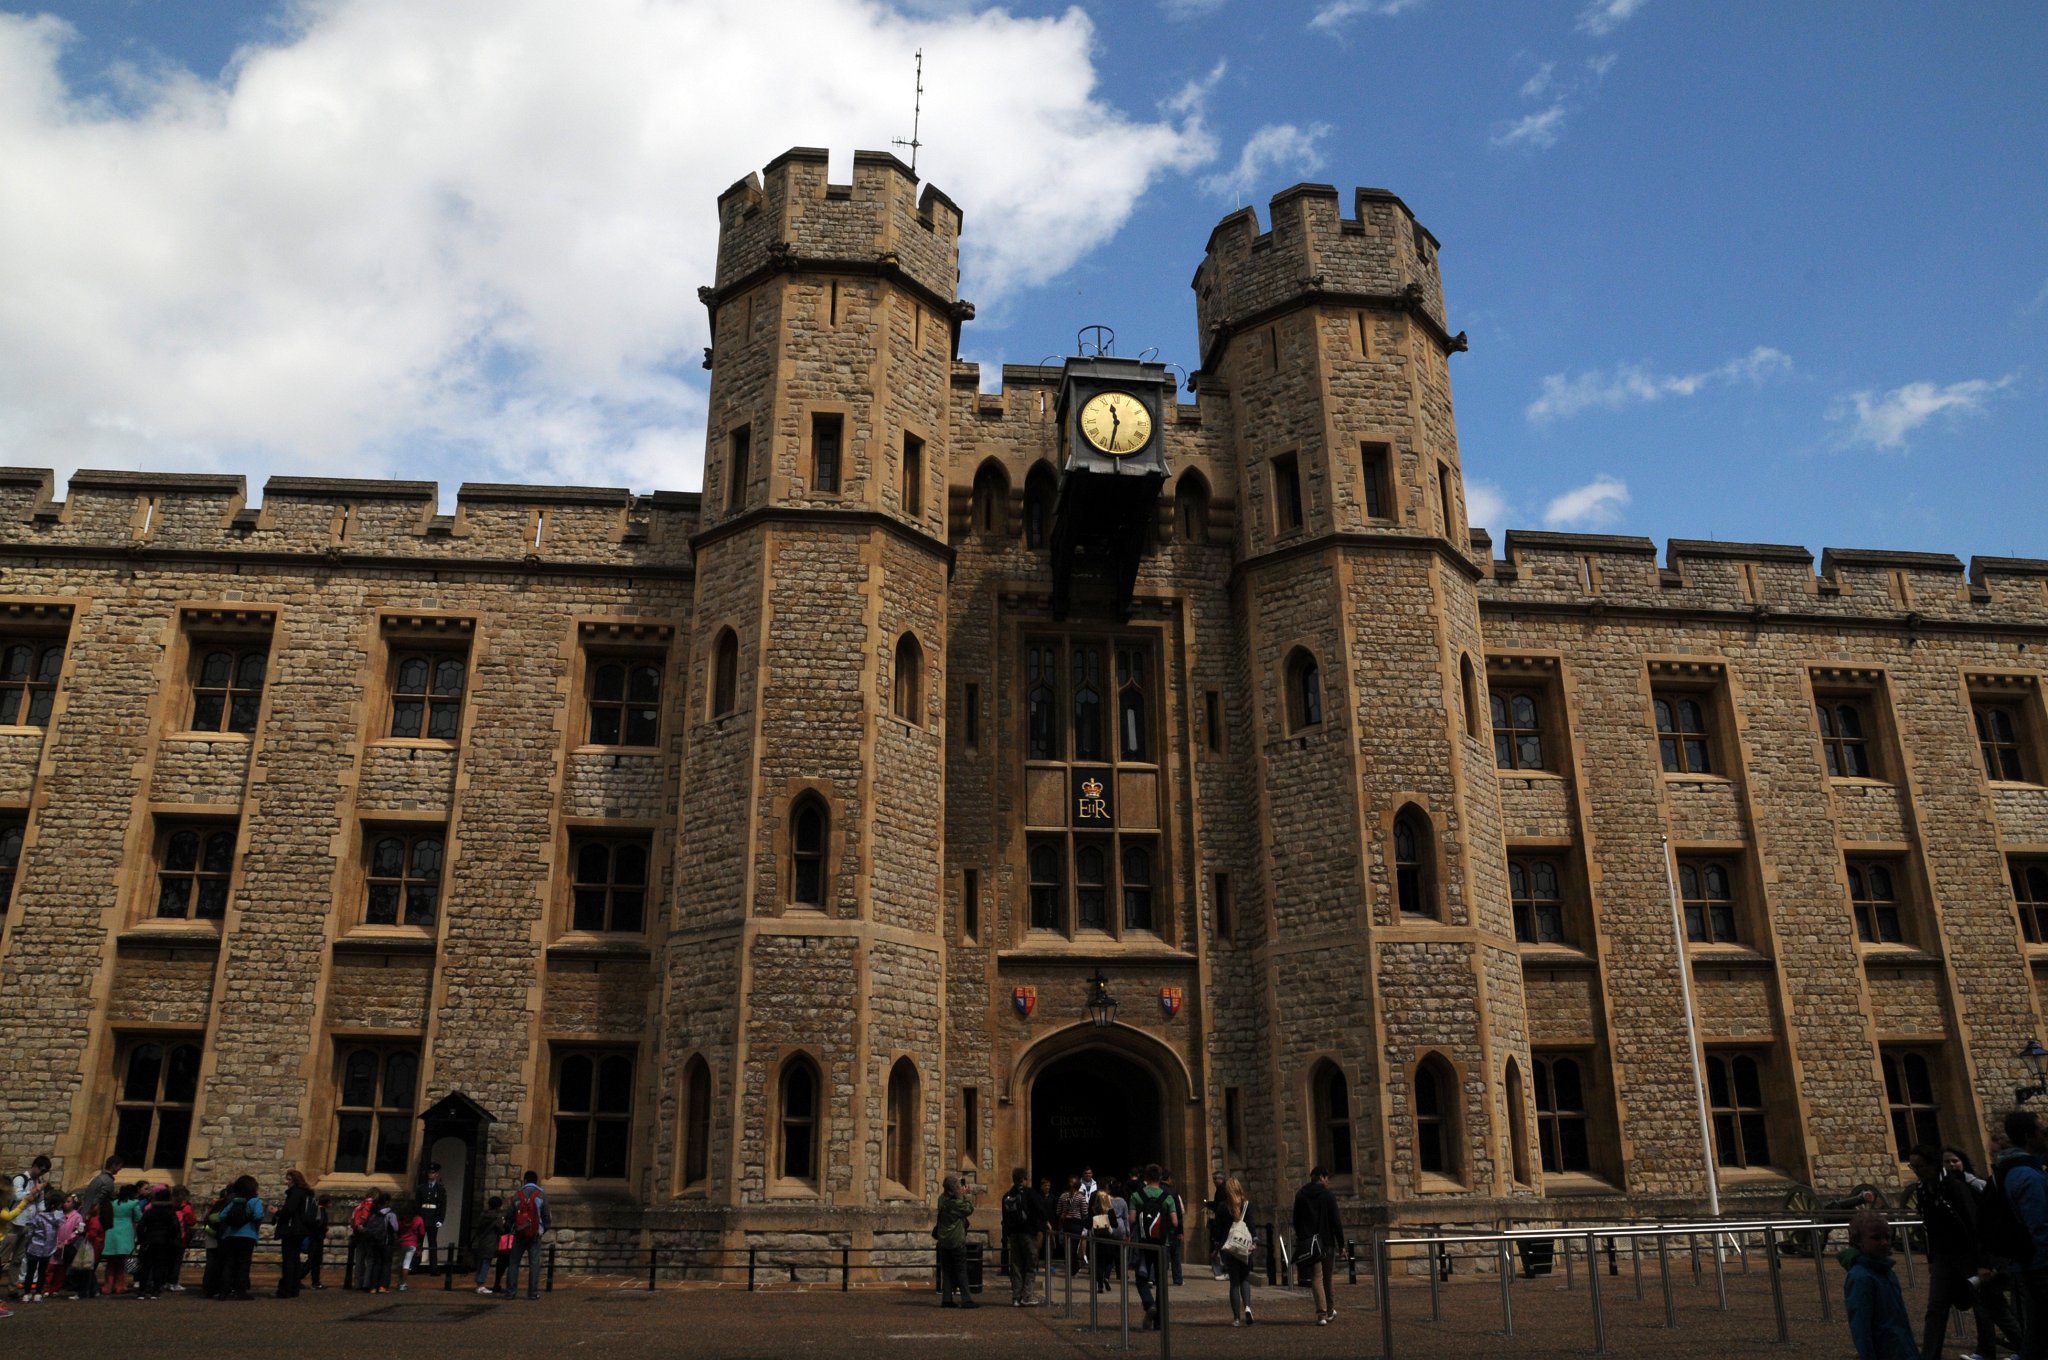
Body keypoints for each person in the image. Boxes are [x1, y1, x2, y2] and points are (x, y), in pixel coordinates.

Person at [1909, 1142, 1983, 1360]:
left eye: (1919, 1166)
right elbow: (1929, 1227)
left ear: (1932, 1165)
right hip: (1943, 1256)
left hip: (1965, 1254)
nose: (1916, 1171)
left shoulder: (1954, 1187)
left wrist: (1982, 1262)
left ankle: (2013, 1347)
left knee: (1986, 1307)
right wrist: (1931, 1258)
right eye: (1913, 1167)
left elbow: (1973, 1224)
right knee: (1936, 1308)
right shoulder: (1922, 1190)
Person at [1997, 1110, 2048, 1360]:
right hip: (2040, 1264)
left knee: (2037, 1332)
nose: (2045, 1135)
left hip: (2026, 1264)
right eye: (2042, 1132)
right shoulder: (2027, 1175)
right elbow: (2041, 1227)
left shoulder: (2009, 1171)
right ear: (2029, 1136)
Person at [1840, 1210, 1918, 1359]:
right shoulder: (1861, 1278)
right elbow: (1861, 1328)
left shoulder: (1887, 1272)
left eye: (1887, 1237)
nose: (1884, 1242)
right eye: (1876, 1238)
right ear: (1859, 1241)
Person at [1291, 1165, 1346, 1326]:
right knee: (1327, 1278)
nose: (1328, 1180)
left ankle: (1323, 1313)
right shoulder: (1328, 1196)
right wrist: (1341, 1244)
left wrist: (1303, 1238)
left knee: (1317, 1277)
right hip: (1327, 1242)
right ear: (1320, 1177)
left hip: (1310, 1244)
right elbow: (1336, 1221)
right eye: (1326, 1177)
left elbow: (1296, 1220)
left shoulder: (1301, 1195)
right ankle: (1328, 1311)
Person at [1126, 1164, 1175, 1329]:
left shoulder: (1136, 1196)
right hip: (1162, 1245)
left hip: (1143, 1244)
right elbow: (1175, 1222)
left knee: (1141, 1278)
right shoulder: (1168, 1197)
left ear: (1145, 1177)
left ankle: (1149, 1304)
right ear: (1160, 1177)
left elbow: (1132, 1220)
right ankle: (1159, 1323)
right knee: (1161, 1282)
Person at [3, 1155, 49, 1292]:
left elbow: (40, 1201)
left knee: (18, 1259)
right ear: (34, 1166)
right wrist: (33, 1191)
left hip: (29, 1224)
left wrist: (43, 1214)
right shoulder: (20, 1179)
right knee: (4, 1256)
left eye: (44, 1172)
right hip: (15, 1222)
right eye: (41, 1170)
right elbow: (16, 1196)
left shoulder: (38, 1182)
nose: (42, 1173)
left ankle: (12, 1288)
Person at [1001, 1167, 1045, 1306]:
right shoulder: (1030, 1193)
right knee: (1030, 1265)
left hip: (1013, 1235)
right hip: (1028, 1233)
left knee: (1016, 1266)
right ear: (1024, 1179)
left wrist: (1006, 1236)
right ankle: (1027, 1295)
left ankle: (1016, 1297)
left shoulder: (1007, 1195)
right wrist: (1041, 1226)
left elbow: (1004, 1219)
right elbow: (1041, 1211)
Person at [216, 1174, 265, 1300]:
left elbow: (221, 1216)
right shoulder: (255, 1201)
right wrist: (248, 1218)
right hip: (247, 1236)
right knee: (243, 1264)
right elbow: (259, 1215)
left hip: (231, 1235)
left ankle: (224, 1291)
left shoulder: (235, 1201)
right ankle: (240, 1291)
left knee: (229, 1263)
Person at [932, 1174, 976, 1308]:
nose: (960, 1188)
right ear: (953, 1189)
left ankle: (946, 1299)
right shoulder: (955, 1203)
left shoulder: (941, 1199)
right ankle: (966, 1300)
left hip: (944, 1241)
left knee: (947, 1271)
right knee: (961, 1271)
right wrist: (965, 1196)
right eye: (957, 1186)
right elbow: (969, 1209)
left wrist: (958, 1194)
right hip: (956, 1241)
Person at [503, 1171, 549, 1300]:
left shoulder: (518, 1195)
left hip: (519, 1233)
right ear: (536, 1181)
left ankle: (511, 1292)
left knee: (513, 1263)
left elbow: (510, 1215)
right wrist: (542, 1230)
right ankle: (533, 1293)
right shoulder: (541, 1194)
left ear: (525, 1181)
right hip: (535, 1234)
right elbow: (546, 1216)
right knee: (534, 1264)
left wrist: (513, 1228)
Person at [1219, 1176, 1256, 1326]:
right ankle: (1247, 1306)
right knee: (1245, 1279)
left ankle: (1236, 1318)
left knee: (1234, 1282)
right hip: (1244, 1246)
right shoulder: (1247, 1205)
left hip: (1229, 1247)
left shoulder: (1223, 1206)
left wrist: (1217, 1246)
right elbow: (1252, 1225)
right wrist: (1254, 1240)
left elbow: (1219, 1229)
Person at [275, 1169, 316, 1298]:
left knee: (289, 1259)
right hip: (300, 1229)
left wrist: (277, 1212)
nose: (286, 1182)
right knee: (294, 1259)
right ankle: (293, 1287)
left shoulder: (295, 1193)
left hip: (292, 1230)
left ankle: (287, 1288)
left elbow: (289, 1211)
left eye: (288, 1179)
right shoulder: (305, 1194)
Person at [136, 1186, 183, 1298]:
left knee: (146, 1266)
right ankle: (156, 1290)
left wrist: (142, 1239)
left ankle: (142, 1290)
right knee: (159, 1266)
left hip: (149, 1240)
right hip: (164, 1242)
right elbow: (175, 1227)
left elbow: (141, 1226)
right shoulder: (170, 1212)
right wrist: (170, 1237)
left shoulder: (150, 1211)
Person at [102, 1182, 142, 1296]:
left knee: (110, 1263)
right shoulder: (133, 1203)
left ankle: (107, 1286)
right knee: (122, 1263)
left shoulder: (113, 1203)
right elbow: (139, 1217)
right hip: (125, 1232)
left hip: (111, 1231)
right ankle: (120, 1286)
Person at [472, 1195, 509, 1294]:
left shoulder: (483, 1214)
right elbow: (501, 1230)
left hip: (481, 1241)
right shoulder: (497, 1217)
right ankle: (481, 1285)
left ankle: (478, 1284)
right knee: (486, 1263)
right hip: (490, 1242)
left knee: (480, 1263)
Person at [418, 1164, 447, 1274]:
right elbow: (418, 1203)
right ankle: (415, 1264)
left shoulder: (440, 1188)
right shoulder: (422, 1187)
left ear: (437, 1174)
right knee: (419, 1242)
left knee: (432, 1243)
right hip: (423, 1216)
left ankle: (433, 1268)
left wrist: (441, 1219)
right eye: (430, 1172)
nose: (431, 1174)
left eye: (433, 1173)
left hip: (433, 1218)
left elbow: (443, 1205)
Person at [1057, 1176, 1088, 1275]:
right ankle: (1074, 1267)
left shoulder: (1063, 1196)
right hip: (1075, 1223)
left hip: (1069, 1223)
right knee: (1073, 1247)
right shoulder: (1080, 1197)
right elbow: (1084, 1213)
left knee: (1069, 1247)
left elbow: (1058, 1211)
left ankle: (1073, 1268)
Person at [395, 1198, 426, 1291]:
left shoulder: (402, 1219)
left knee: (401, 1263)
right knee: (406, 1264)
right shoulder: (418, 1219)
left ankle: (399, 1281)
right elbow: (422, 1233)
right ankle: (403, 1284)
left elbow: (398, 1229)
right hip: (412, 1243)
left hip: (402, 1242)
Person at [1161, 1173, 1186, 1286]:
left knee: (1160, 1253)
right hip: (1171, 1227)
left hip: (1157, 1227)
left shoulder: (1154, 1191)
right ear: (1169, 1179)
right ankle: (1177, 1279)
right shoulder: (1173, 1192)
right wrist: (1180, 1231)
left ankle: (1157, 1278)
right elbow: (1179, 1213)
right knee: (1175, 1254)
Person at [1208, 1172, 1231, 1280]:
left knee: (1220, 1247)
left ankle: (1224, 1271)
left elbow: (1219, 1205)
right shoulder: (1222, 1189)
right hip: (1225, 1222)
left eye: (1215, 1179)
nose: (1213, 1181)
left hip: (1223, 1223)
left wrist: (1209, 1204)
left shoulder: (1221, 1190)